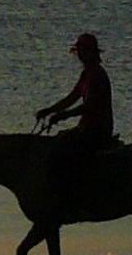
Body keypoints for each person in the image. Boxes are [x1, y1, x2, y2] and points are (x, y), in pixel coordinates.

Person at [35, 31, 119, 192]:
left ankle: (74, 190)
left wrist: (63, 115)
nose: (80, 55)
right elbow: (72, 97)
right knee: (59, 142)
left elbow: (90, 106)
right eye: (80, 51)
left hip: (97, 128)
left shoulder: (97, 75)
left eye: (84, 51)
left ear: (91, 53)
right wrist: (49, 110)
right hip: (86, 127)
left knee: (63, 151)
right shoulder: (86, 74)